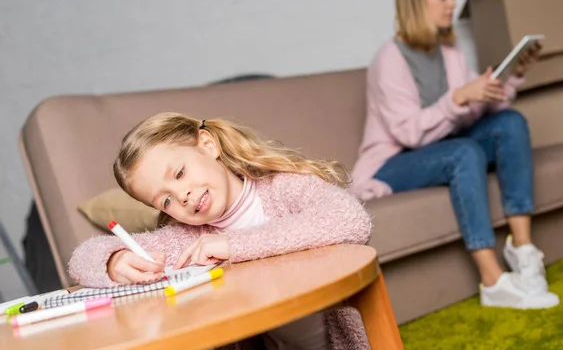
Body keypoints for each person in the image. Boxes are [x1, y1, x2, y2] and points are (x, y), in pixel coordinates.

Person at [350, 0, 559, 309]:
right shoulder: (389, 60)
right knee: (465, 152)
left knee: (510, 123)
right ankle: (492, 281)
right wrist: (459, 96)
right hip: (394, 162)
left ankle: (522, 250)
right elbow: (410, 134)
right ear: (417, 0)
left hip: (446, 146)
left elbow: (472, 112)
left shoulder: (450, 52)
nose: (452, 4)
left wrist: (509, 79)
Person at [68, 112, 373, 350]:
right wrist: (114, 261)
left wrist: (235, 245)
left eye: (179, 173)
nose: (182, 195)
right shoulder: (189, 236)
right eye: (166, 200)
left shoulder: (283, 187)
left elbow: (349, 218)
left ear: (208, 145)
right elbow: (83, 257)